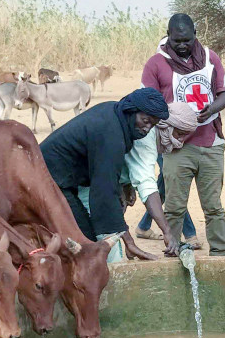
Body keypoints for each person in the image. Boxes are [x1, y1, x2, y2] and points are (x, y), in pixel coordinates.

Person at [39, 86, 168, 261]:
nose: (147, 129)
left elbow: (105, 178)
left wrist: (124, 186)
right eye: (145, 120)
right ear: (132, 111)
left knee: (87, 240)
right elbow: (104, 193)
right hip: (47, 180)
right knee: (87, 244)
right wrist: (129, 242)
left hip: (62, 180)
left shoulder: (114, 112)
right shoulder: (111, 134)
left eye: (152, 125)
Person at [140, 13, 225, 256]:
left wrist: (211, 109)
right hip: (177, 147)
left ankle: (219, 255)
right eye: (176, 40)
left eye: (187, 40)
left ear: (195, 36)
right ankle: (173, 254)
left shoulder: (210, 58)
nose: (182, 45)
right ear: (168, 36)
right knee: (174, 207)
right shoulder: (155, 64)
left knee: (213, 206)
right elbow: (146, 102)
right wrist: (175, 118)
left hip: (211, 143)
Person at [76, 103, 198, 261]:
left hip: (101, 189)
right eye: (179, 134)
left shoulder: (146, 135)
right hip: (86, 189)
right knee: (111, 255)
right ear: (166, 126)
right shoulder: (146, 138)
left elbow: (123, 161)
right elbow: (146, 185)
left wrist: (126, 185)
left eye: (184, 136)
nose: (180, 141)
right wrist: (167, 231)